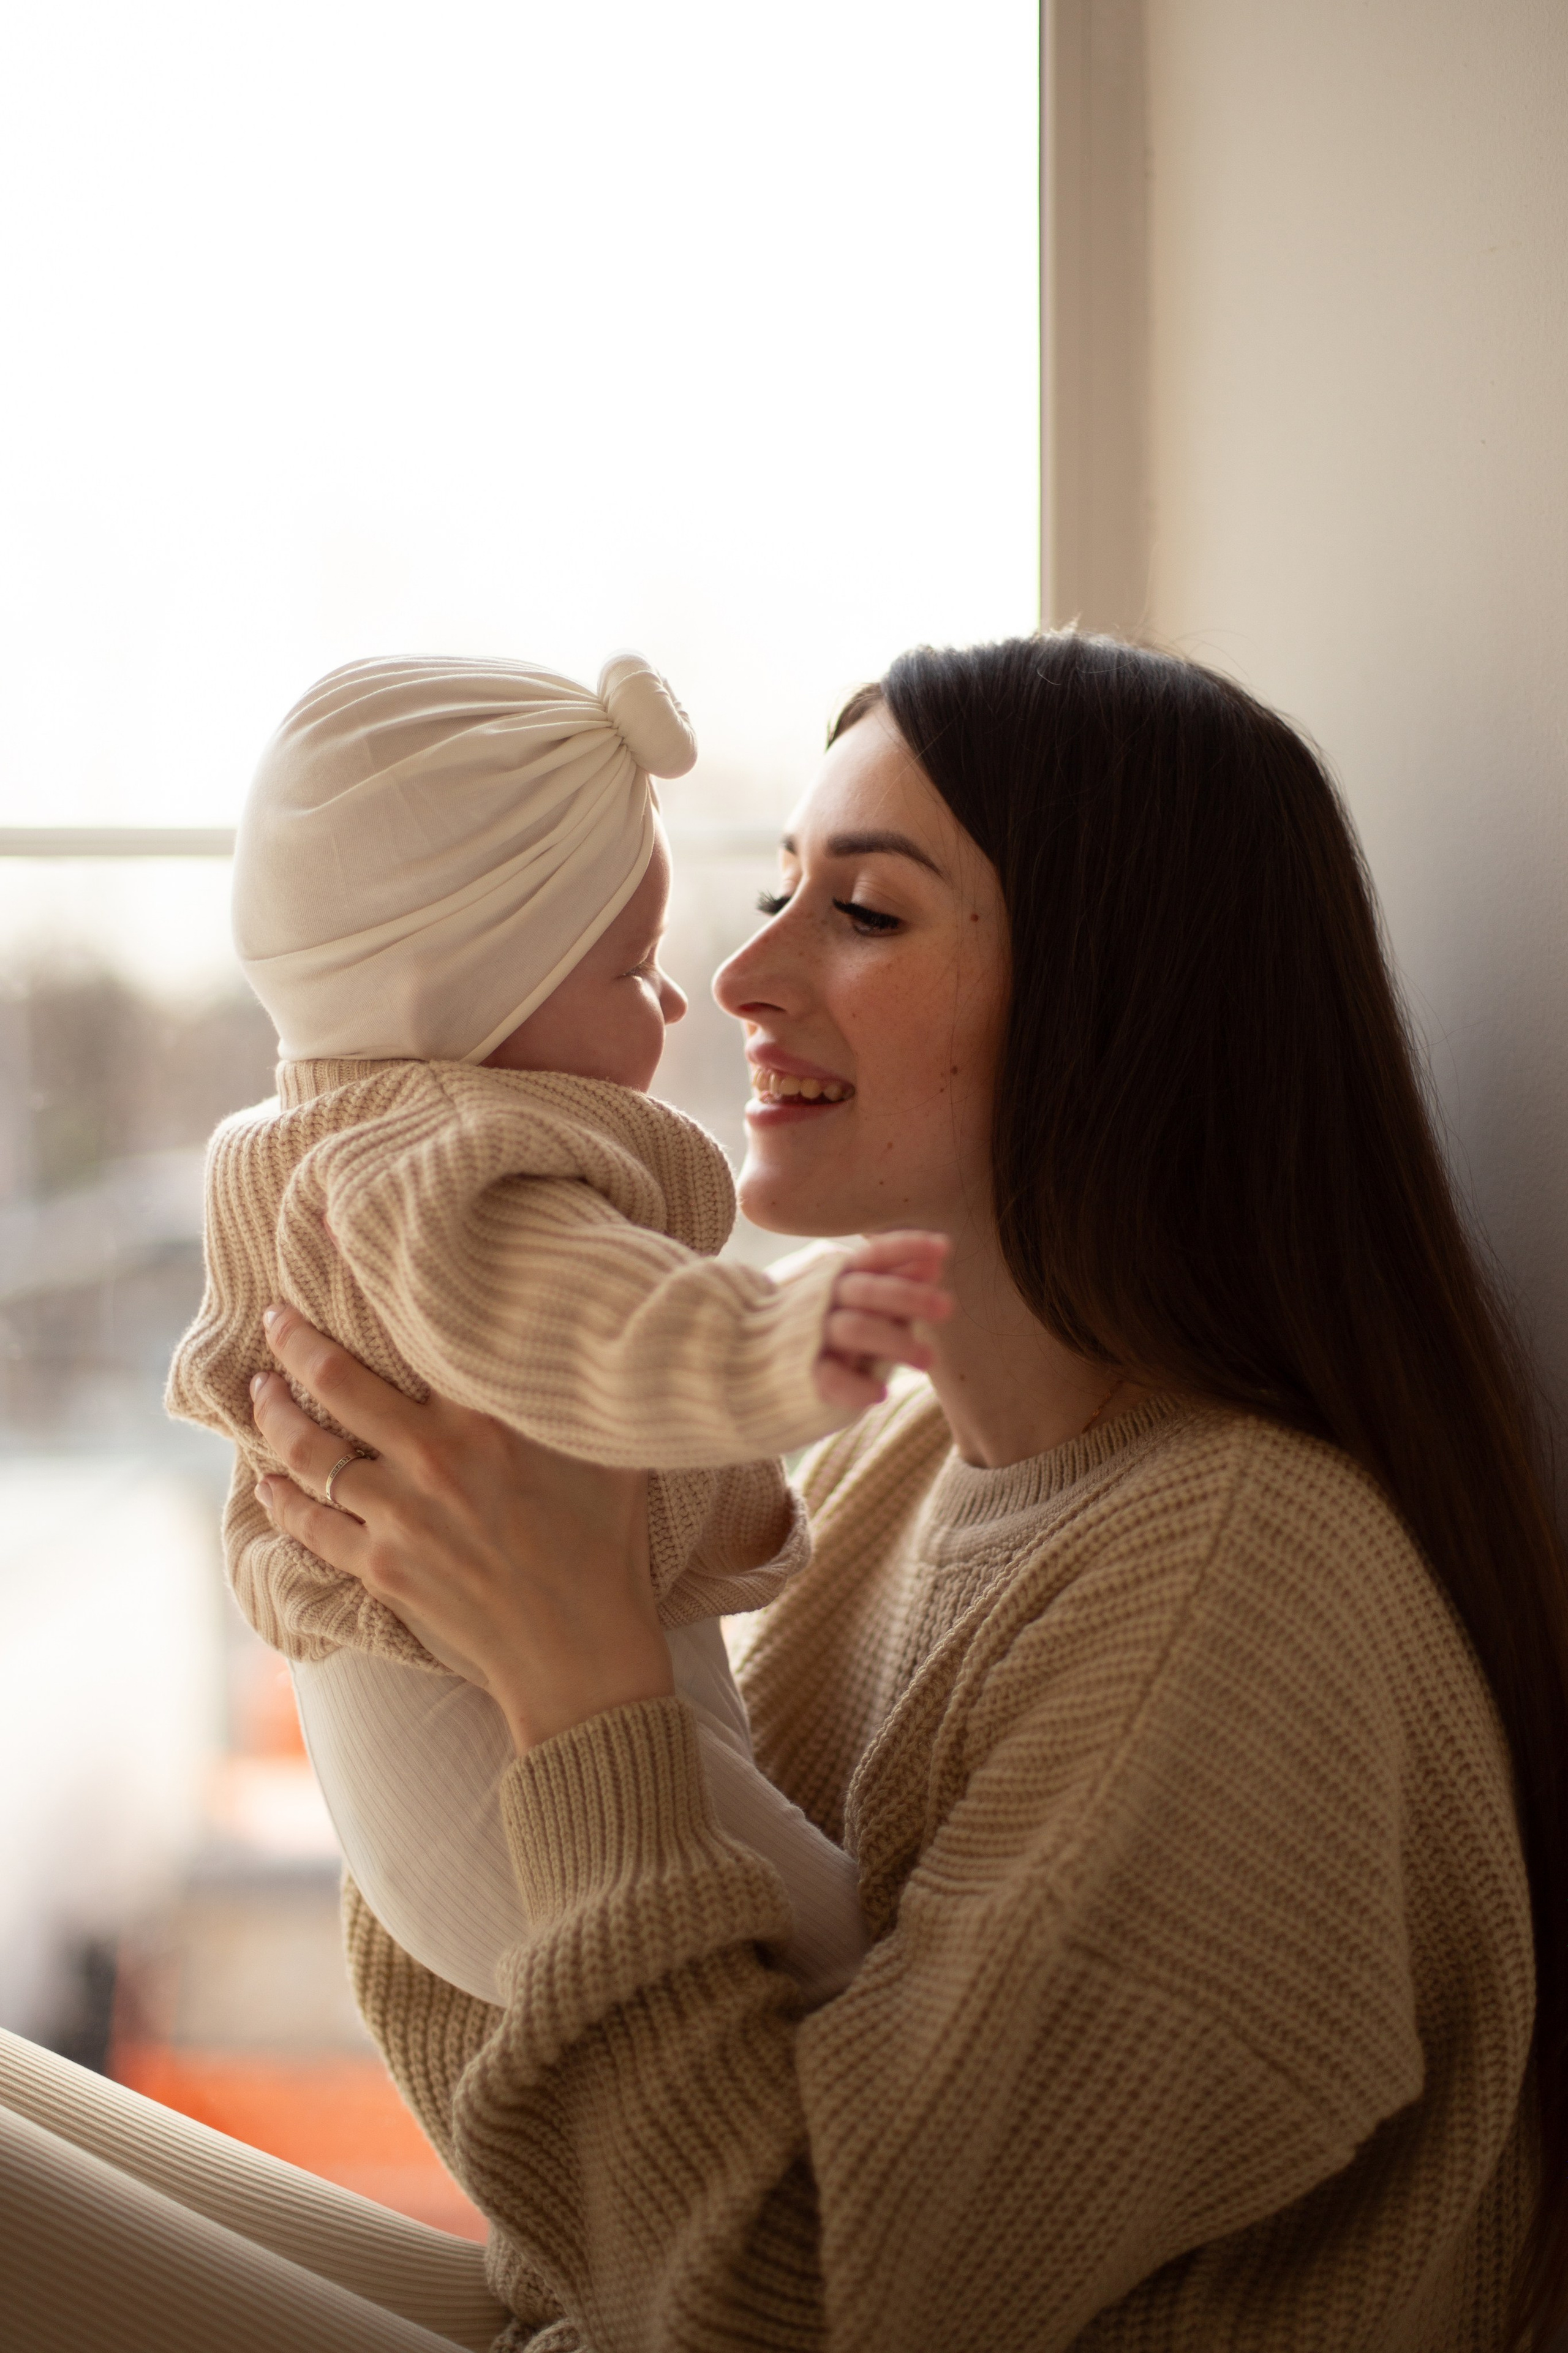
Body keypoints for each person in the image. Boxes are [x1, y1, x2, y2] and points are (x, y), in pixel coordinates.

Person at [4, 630, 1564, 2351]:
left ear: (1117, 1002)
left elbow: (792, 2303)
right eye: (774, 891)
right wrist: (421, 1659)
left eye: (865, 911)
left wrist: (573, 1684)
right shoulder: (906, 1463)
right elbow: (594, 2177)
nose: (739, 976)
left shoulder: (1236, 1583)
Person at [168, 650, 952, 2006]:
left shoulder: (335, 1141)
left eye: (867, 911)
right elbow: (605, 1324)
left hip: (436, 1728)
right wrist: (785, 1334)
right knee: (853, 1974)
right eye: (633, 967)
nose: (692, 996)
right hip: (480, 1729)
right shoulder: (450, 1169)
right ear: (472, 993)